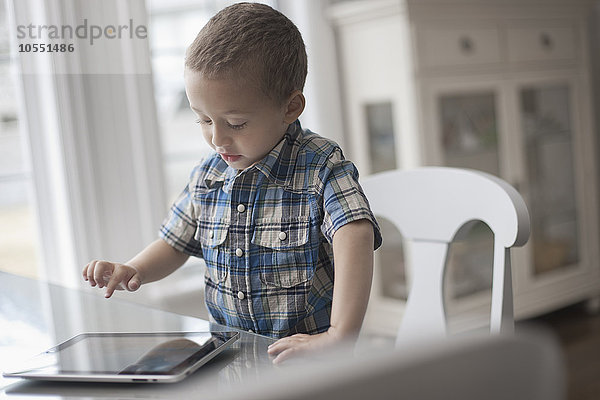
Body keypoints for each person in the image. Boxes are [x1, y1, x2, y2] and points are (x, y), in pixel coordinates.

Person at [82, 2, 381, 364]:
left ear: (291, 107)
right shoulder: (209, 175)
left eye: (235, 123)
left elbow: (356, 233)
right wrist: (134, 269)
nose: (218, 139)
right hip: (232, 361)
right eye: (203, 120)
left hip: (307, 365)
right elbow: (175, 243)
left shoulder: (320, 167)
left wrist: (339, 334)